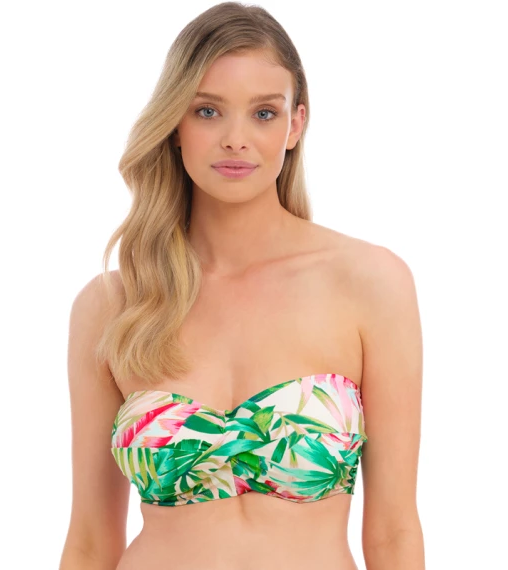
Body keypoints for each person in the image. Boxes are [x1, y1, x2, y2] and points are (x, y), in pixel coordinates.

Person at [59, 2, 425, 569]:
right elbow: (89, 541)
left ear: (295, 124)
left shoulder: (370, 284)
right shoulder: (113, 306)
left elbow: (394, 533)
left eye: (263, 113)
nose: (235, 139)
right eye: (208, 111)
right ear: (174, 124)